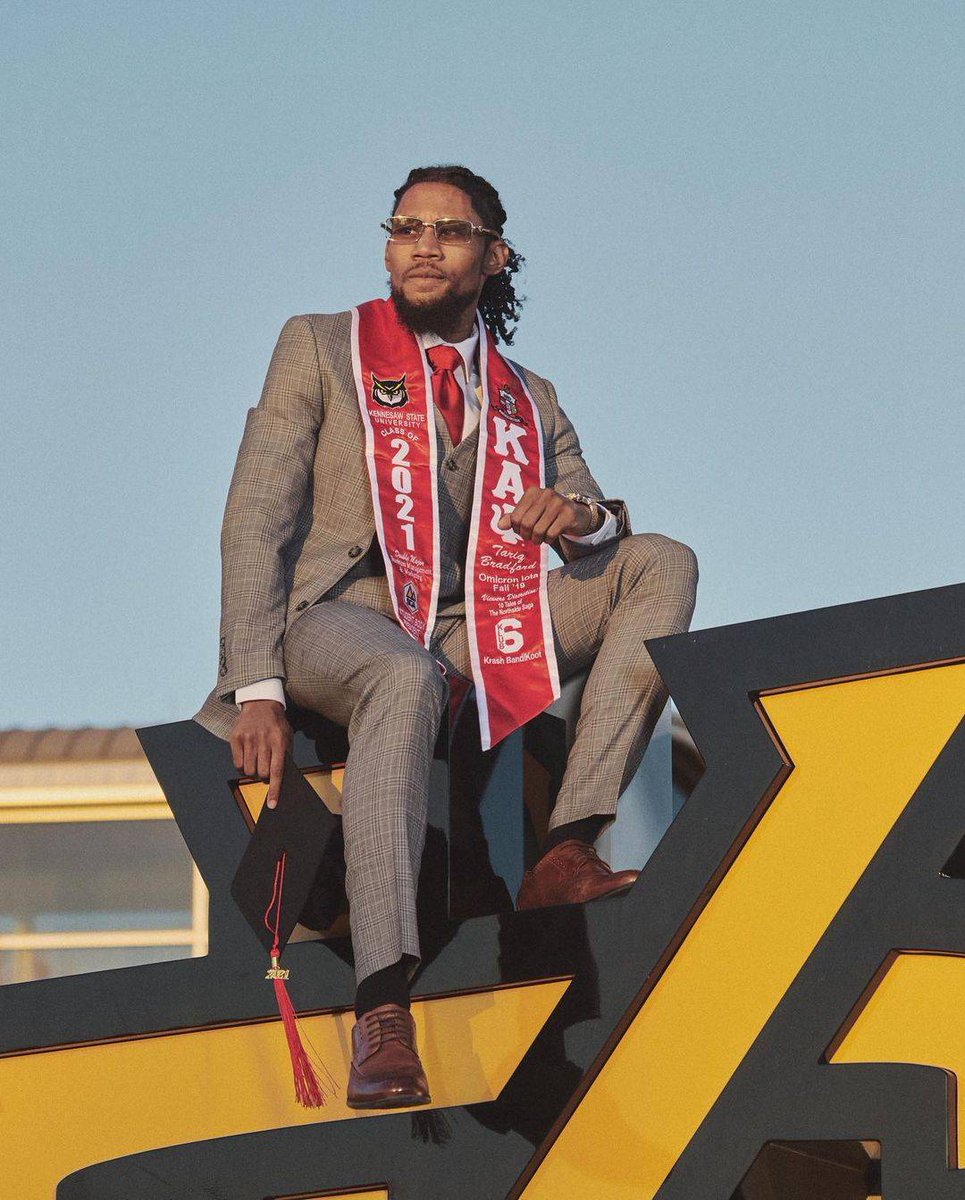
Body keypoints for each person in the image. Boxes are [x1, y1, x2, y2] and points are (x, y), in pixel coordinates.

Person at [195, 164, 698, 1109]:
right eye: (406, 227)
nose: (423, 245)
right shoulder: (319, 346)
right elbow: (255, 516)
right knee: (402, 677)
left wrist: (578, 518)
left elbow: (596, 506)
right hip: (332, 622)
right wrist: (254, 683)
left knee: (660, 560)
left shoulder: (526, 394)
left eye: (450, 231)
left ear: (494, 257)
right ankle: (383, 1007)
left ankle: (569, 844)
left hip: (471, 631)